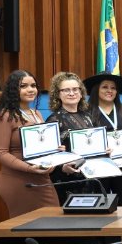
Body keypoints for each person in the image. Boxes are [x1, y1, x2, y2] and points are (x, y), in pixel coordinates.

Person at [0, 69, 57, 216]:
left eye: (33, 85)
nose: (31, 90)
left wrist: (55, 149)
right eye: (24, 86)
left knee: (52, 226)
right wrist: (29, 168)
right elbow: (0, 153)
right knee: (30, 230)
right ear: (13, 90)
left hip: (42, 178)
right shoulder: (4, 116)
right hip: (19, 181)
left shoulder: (36, 113)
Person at [85, 71, 122, 206]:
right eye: (105, 87)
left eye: (113, 88)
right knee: (100, 206)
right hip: (99, 167)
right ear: (96, 90)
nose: (110, 91)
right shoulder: (86, 112)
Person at [44, 72, 94, 203]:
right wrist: (62, 168)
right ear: (58, 94)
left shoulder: (88, 116)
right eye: (66, 90)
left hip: (90, 178)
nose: (72, 93)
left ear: (81, 92)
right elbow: (48, 156)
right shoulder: (53, 120)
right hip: (68, 181)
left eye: (75, 89)